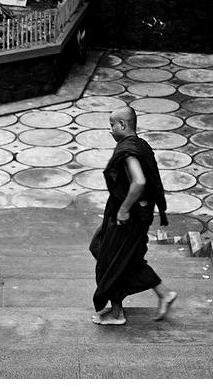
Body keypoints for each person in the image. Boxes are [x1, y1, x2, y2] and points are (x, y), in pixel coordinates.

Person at [89, 107, 177, 325]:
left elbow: (139, 181)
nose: (110, 130)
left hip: (128, 217)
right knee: (116, 253)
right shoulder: (141, 145)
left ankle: (117, 313)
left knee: (112, 258)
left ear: (122, 125)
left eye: (112, 125)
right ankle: (164, 293)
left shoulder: (129, 150)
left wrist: (124, 209)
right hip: (136, 214)